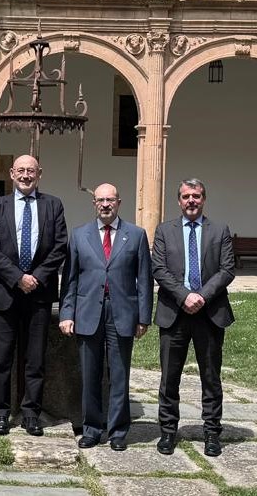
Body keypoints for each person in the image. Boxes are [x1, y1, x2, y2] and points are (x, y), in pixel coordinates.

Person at [59, 183, 152, 451]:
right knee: (90, 374)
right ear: (94, 204)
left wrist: (143, 317)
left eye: (110, 199)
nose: (105, 204)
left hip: (122, 313)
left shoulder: (135, 235)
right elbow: (70, 280)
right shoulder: (79, 236)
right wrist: (67, 313)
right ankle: (91, 428)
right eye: (100, 200)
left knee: (120, 374)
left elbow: (144, 280)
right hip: (88, 313)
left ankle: (118, 431)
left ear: (119, 202)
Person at [0, 154, 68, 436]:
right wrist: (18, 278)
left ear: (39, 173)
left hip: (39, 293)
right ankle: (1, 413)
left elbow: (59, 247)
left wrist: (37, 277)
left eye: (31, 170)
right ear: (11, 173)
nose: (26, 175)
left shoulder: (53, 205)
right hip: (4, 292)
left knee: (35, 358)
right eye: (21, 170)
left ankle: (31, 412)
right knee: (1, 359)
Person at [150, 179, 235, 457]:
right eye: (186, 196)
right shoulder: (164, 230)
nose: (191, 201)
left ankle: (211, 432)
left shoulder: (219, 230)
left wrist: (201, 296)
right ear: (178, 200)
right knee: (169, 377)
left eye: (196, 196)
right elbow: (159, 269)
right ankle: (168, 432)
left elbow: (226, 270)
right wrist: (185, 295)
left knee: (211, 376)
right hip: (174, 312)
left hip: (209, 313)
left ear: (204, 199)